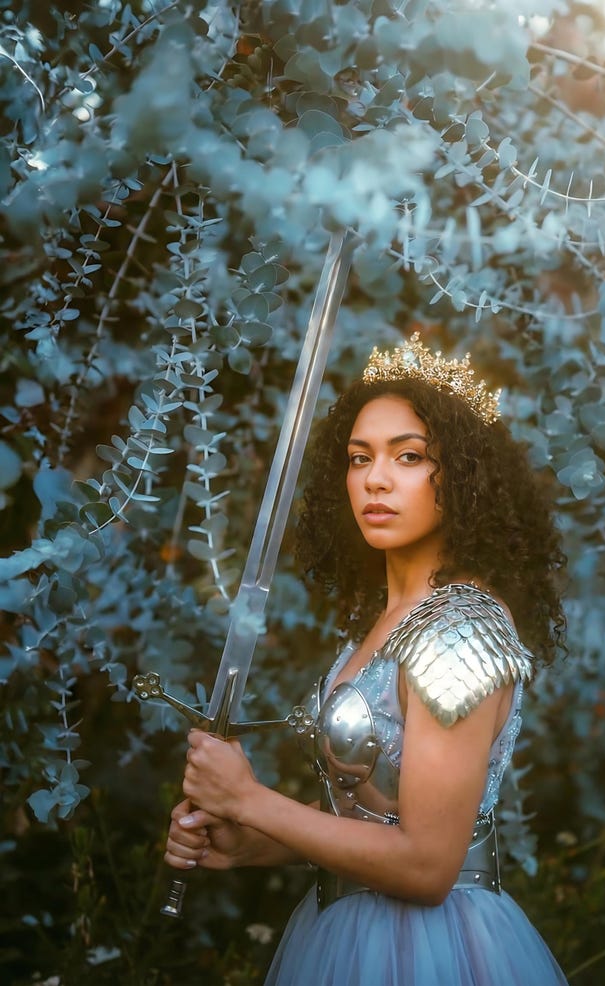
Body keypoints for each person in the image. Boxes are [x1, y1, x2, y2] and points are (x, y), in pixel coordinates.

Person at [165, 332, 569, 985]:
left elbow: (428, 866)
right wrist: (250, 842)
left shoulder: (459, 629)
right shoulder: (384, 625)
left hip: (435, 951)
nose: (376, 479)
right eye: (359, 459)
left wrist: (249, 799)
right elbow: (370, 822)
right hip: (341, 934)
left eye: (409, 457)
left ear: (462, 475)